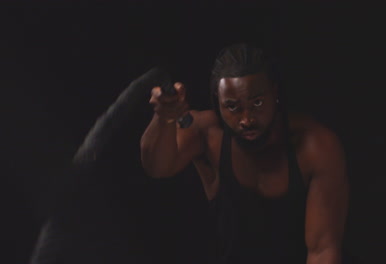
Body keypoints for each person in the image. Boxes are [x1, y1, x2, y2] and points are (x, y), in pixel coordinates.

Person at [140, 43, 349, 264]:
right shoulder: (206, 134)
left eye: (257, 103)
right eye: (232, 106)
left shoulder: (316, 146)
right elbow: (156, 167)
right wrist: (164, 118)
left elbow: (322, 251)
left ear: (275, 94)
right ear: (217, 103)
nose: (247, 119)